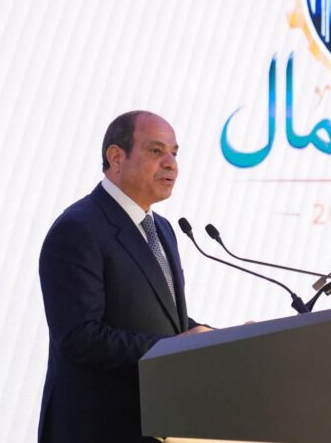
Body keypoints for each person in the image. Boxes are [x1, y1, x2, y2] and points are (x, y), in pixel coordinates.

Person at [37, 111, 211, 443]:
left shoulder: (162, 229)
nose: (171, 164)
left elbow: (160, 318)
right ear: (117, 158)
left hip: (155, 424)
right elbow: (80, 337)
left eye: (174, 153)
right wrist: (176, 346)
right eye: (157, 151)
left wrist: (215, 338)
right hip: (98, 428)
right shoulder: (78, 228)